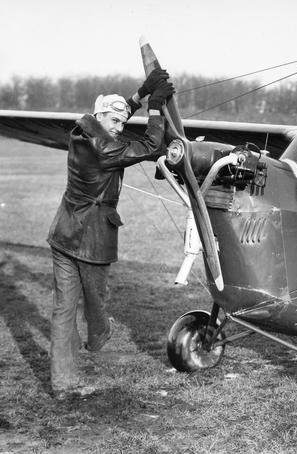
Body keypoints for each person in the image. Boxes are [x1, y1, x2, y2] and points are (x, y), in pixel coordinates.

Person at [47, 69, 175, 399]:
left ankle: (62, 385)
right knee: (97, 303)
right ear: (101, 116)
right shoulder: (106, 150)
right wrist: (156, 106)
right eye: (114, 122)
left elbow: (112, 122)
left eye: (121, 122)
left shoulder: (83, 129)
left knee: (63, 309)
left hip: (63, 234)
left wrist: (141, 93)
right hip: (90, 242)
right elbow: (149, 144)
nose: (119, 127)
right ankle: (98, 338)